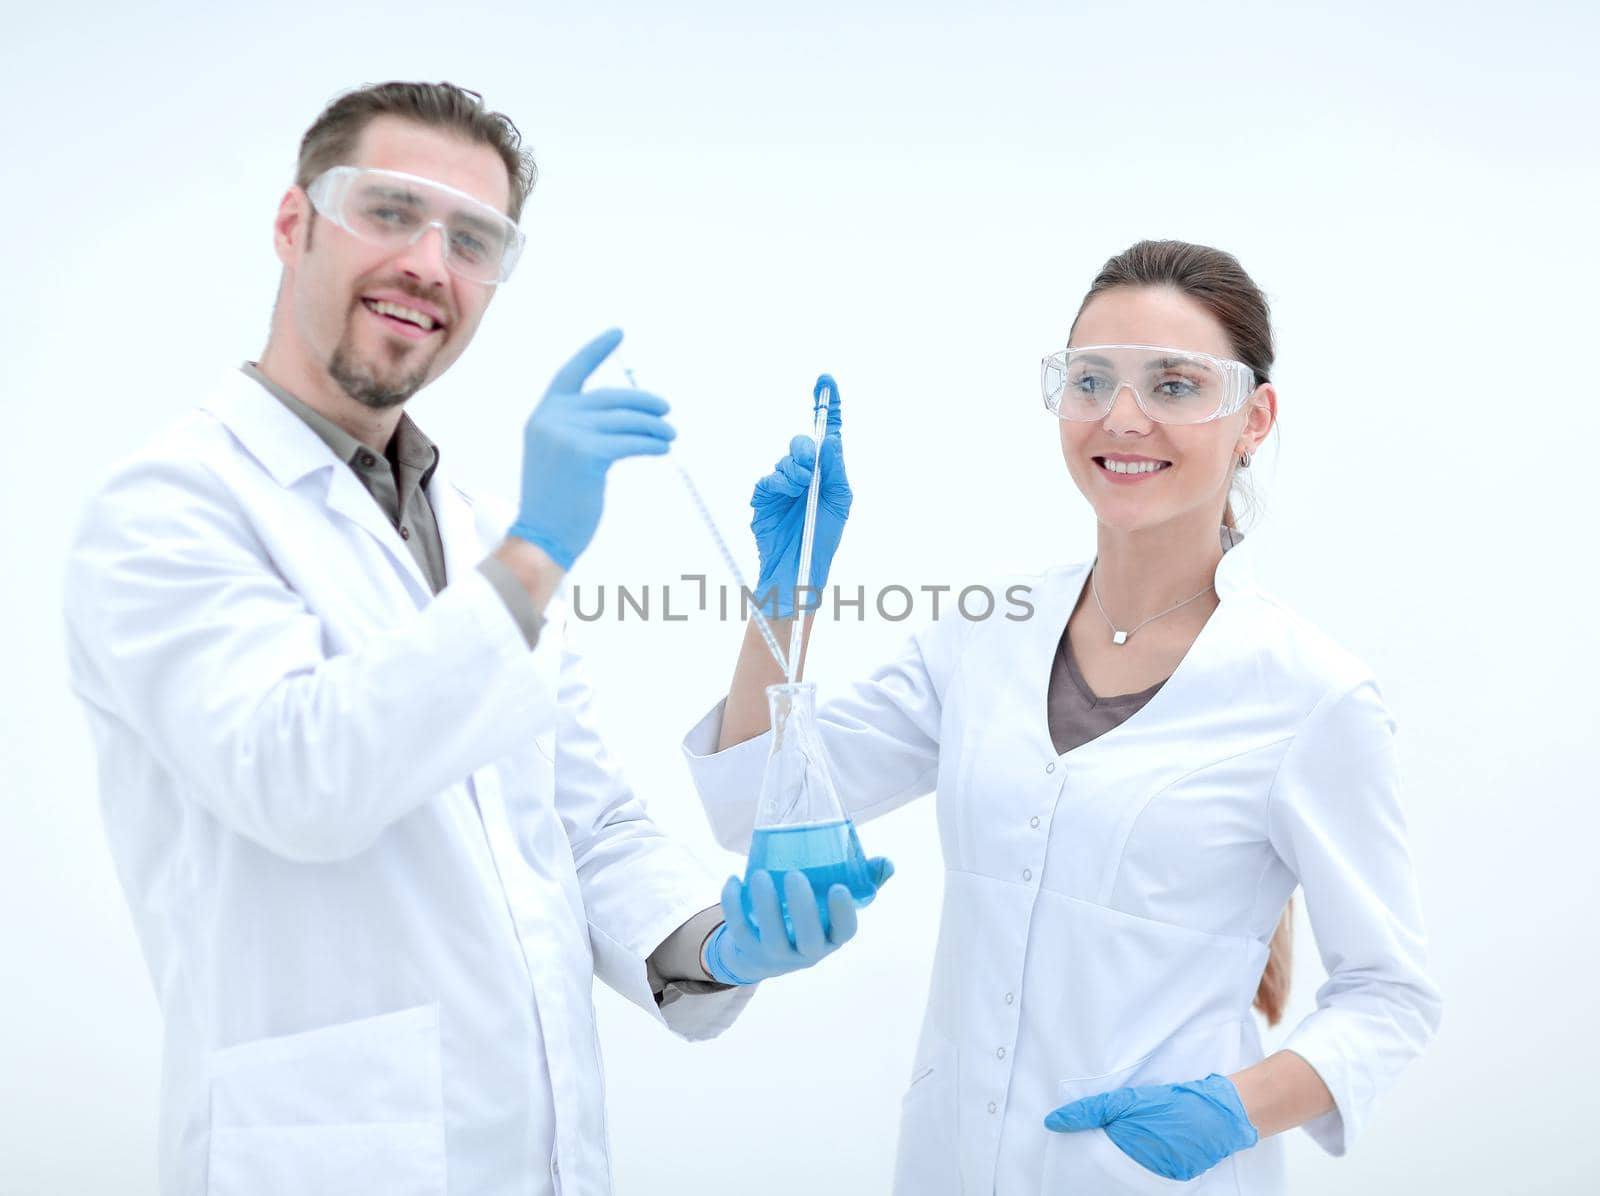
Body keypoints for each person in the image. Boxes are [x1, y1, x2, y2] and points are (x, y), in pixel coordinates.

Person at [62, 80, 887, 1196]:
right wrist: (539, 552)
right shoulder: (169, 507)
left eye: (473, 238)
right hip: (325, 1156)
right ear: (293, 222)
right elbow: (299, 776)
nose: (428, 263)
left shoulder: (472, 527)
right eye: (389, 211)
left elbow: (579, 820)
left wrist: (711, 939)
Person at [682, 240, 1442, 1193]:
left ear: (1255, 419)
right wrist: (784, 597)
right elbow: (756, 804)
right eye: (1091, 380)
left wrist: (1235, 1110)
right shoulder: (981, 638)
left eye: (1174, 385)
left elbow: (1391, 995)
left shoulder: (1309, 694)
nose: (1123, 417)